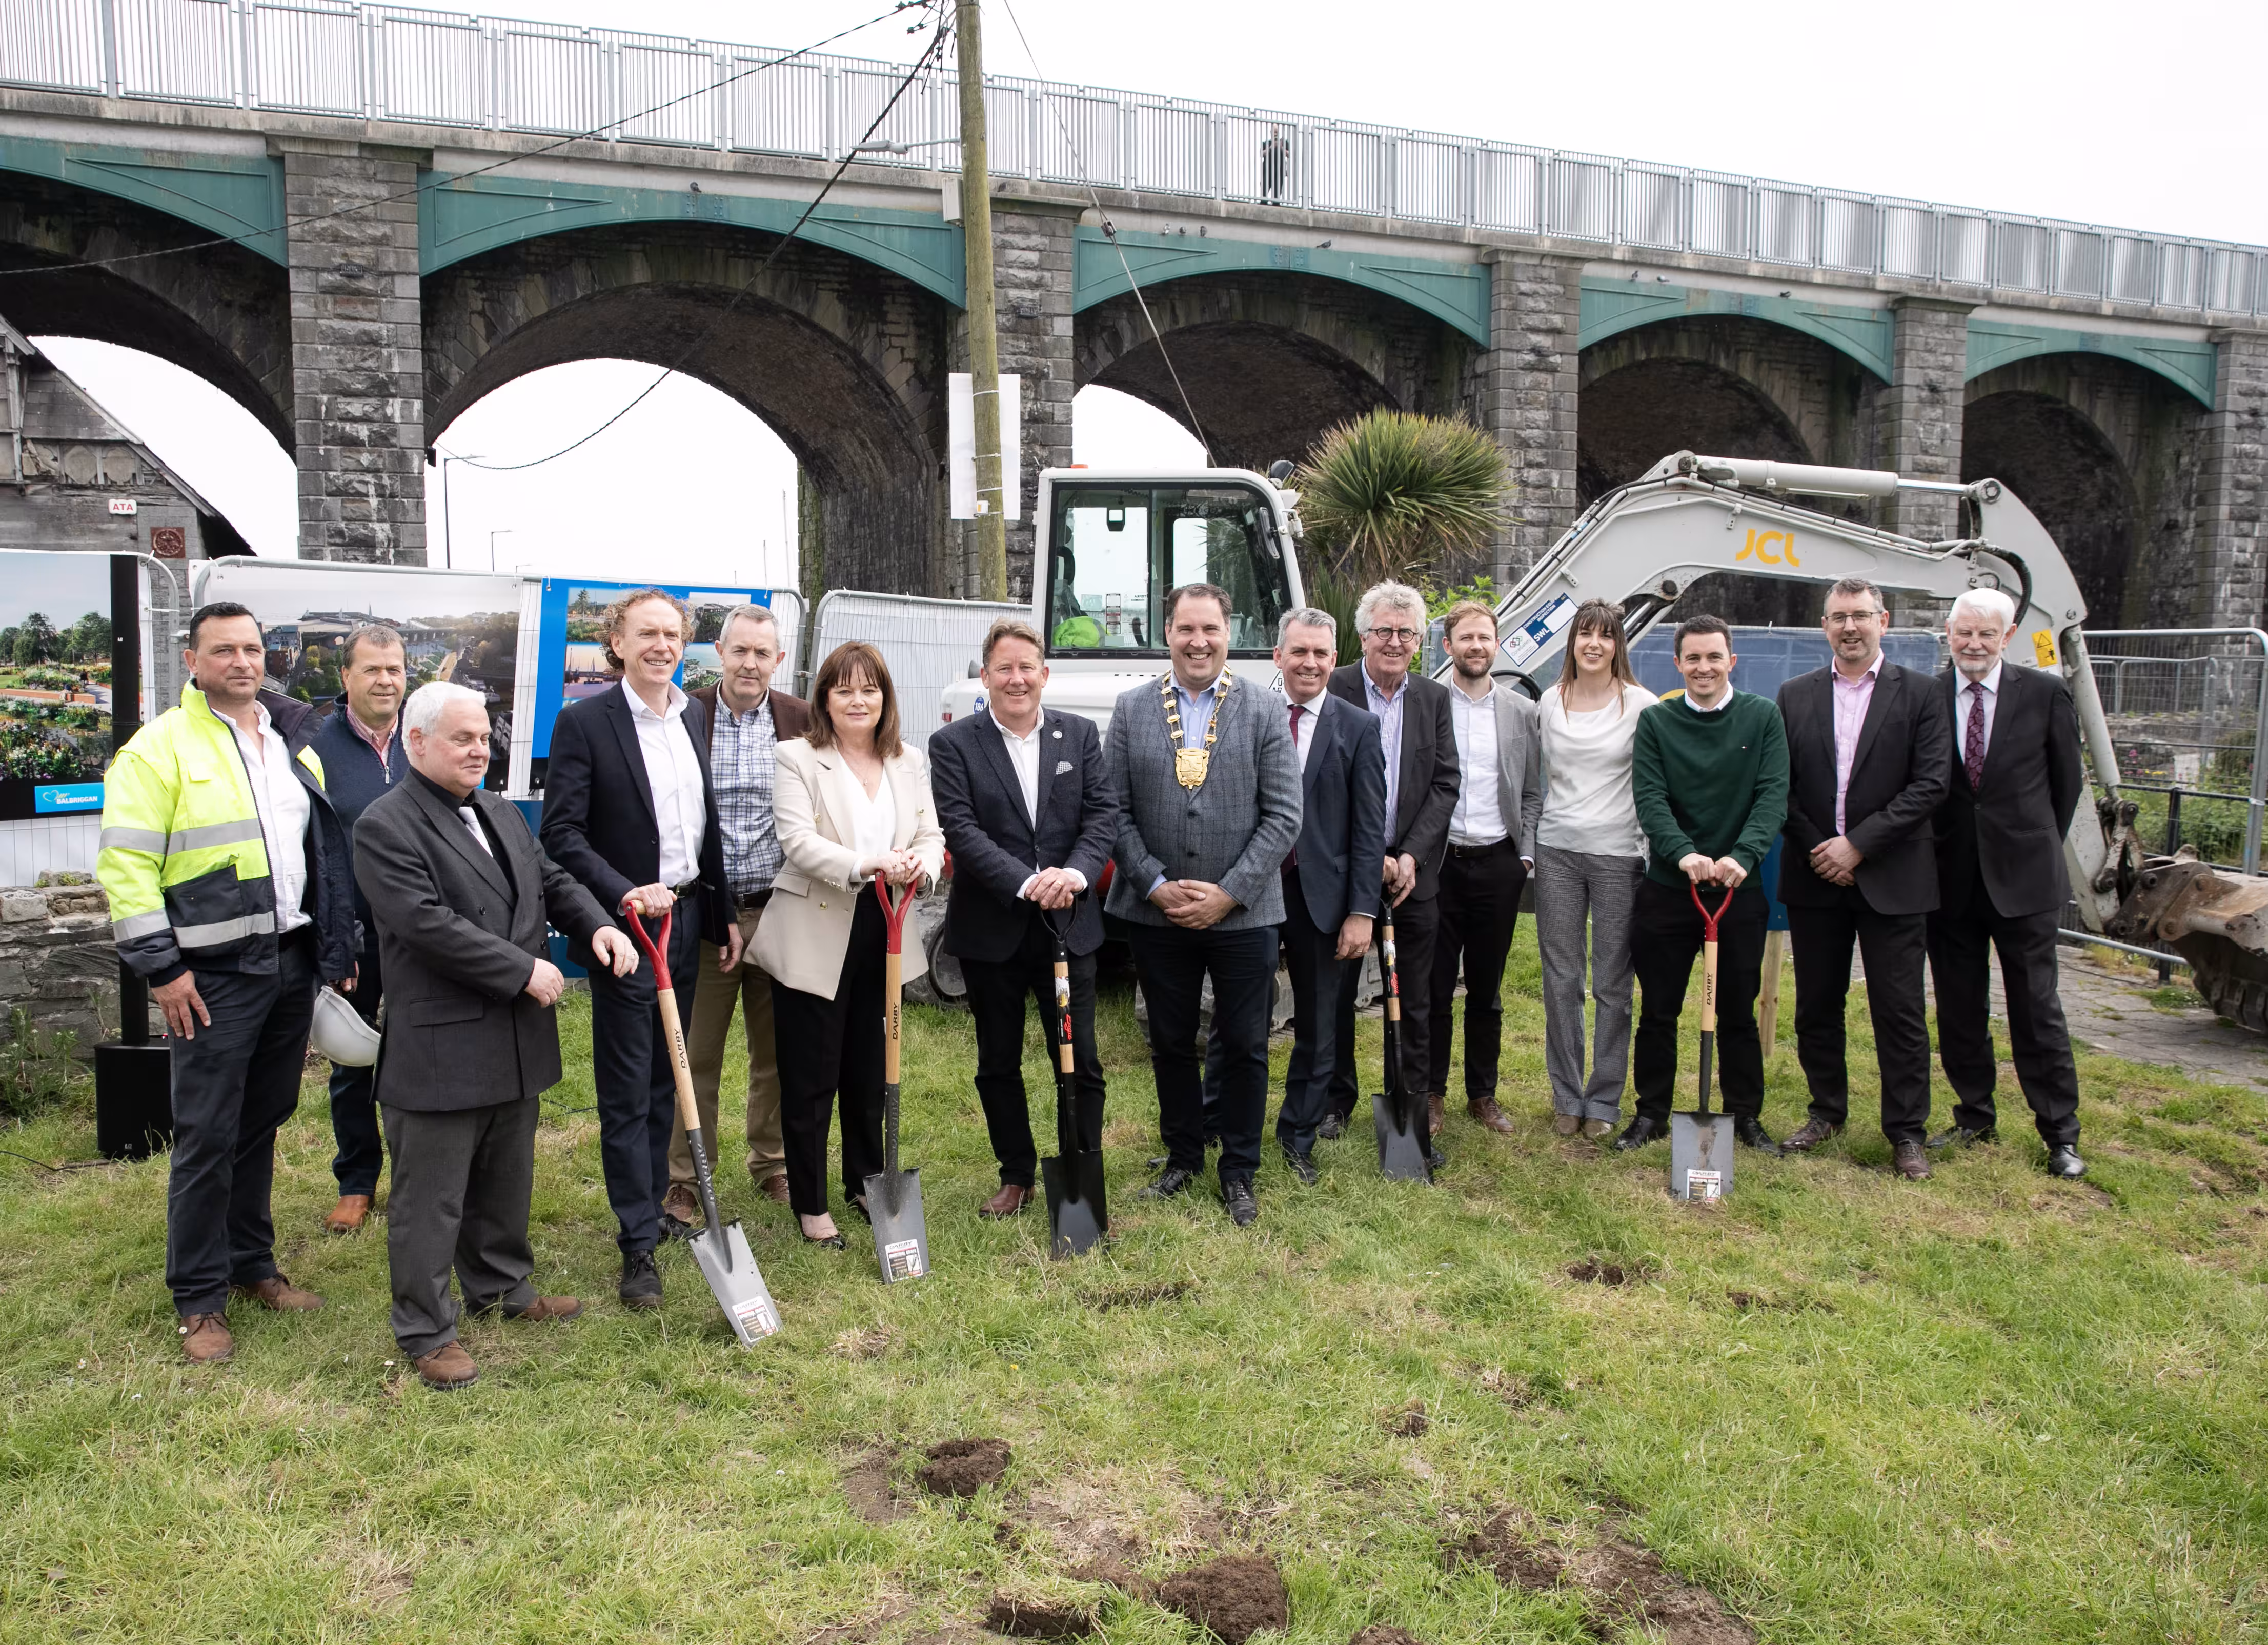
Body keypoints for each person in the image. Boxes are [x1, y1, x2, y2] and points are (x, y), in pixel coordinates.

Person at [351, 683, 637, 1391]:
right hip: (444, 1040)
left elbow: (550, 879)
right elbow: (425, 925)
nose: (478, 750)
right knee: (433, 1195)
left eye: (483, 737)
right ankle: (426, 1328)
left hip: (512, 1035)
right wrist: (522, 971)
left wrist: (597, 923)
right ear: (416, 743)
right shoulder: (385, 826)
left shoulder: (500, 810)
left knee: (507, 1174)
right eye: (462, 739)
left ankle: (502, 1286)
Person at [97, 601, 359, 1365]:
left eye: (252, 648)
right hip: (208, 975)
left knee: (262, 1120)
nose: (243, 662)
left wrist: (331, 944)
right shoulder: (158, 751)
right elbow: (127, 867)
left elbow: (322, 853)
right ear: (193, 661)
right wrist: (163, 969)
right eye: (224, 651)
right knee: (208, 1135)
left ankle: (253, 1267)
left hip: (286, 960)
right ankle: (199, 1300)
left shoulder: (287, 742)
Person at [540, 589, 734, 1311]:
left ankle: (654, 1207)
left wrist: (718, 914)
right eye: (647, 633)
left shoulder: (694, 718)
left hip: (682, 922)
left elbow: (700, 830)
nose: (662, 645)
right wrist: (626, 893)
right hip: (628, 930)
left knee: (667, 1076)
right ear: (616, 642)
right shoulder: (586, 723)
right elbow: (562, 836)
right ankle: (635, 1247)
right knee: (627, 1088)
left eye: (674, 634)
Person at [1105, 583, 1301, 1226]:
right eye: (1186, 629)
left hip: (1243, 912)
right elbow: (1114, 812)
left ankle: (1238, 1168)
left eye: (1210, 629)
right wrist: (1154, 883)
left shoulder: (1265, 711)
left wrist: (1228, 893)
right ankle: (1183, 1155)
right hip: (1156, 911)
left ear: (1228, 631)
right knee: (1168, 1040)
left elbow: (1283, 816)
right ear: (1166, 633)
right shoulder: (1131, 709)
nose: (1198, 641)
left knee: (1244, 1043)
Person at [750, 643, 944, 1246]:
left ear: (885, 697)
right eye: (844, 690)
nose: (857, 700)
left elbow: (931, 832)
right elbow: (797, 841)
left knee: (871, 1069)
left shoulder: (909, 760)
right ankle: (810, 1204)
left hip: (885, 929)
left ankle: (866, 1181)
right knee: (811, 1077)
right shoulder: (797, 757)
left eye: (869, 689)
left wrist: (921, 864)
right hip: (816, 930)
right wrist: (868, 862)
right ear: (824, 699)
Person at [930, 619, 1117, 1216]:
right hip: (993, 931)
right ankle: (1016, 1175)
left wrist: (1076, 874)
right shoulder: (954, 744)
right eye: (1003, 668)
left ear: (1044, 674)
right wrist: (1026, 881)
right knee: (997, 1061)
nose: (1016, 679)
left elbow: (1101, 818)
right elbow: (959, 828)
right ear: (985, 677)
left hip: (1071, 923)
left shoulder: (1079, 735)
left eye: (1026, 667)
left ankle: (1080, 1167)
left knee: (1080, 1058)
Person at [1775, 579, 1951, 1179]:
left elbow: (1930, 785)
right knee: (1815, 1006)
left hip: (1893, 875)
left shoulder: (1923, 694)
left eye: (1859, 616)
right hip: (1815, 875)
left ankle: (1905, 1133)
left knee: (1897, 1011)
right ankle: (1825, 1111)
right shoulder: (1793, 696)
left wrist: (1858, 846)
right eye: (1837, 618)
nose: (1849, 627)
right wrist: (1821, 851)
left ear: (1883, 620)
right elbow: (1782, 787)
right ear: (1823, 626)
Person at [1926, 588, 2089, 1179]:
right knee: (1959, 1005)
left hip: (2023, 880)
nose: (1972, 644)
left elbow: (2064, 789)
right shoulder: (1926, 695)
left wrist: (2025, 842)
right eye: (1963, 633)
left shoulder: (2044, 694)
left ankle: (2059, 1133)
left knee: (2035, 1007)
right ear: (1948, 632)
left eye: (1985, 635)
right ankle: (1973, 1115)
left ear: (2007, 636)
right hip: (1949, 880)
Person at [659, 603, 809, 1234]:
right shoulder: (684, 717)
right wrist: (716, 913)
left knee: (777, 1051)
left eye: (764, 653)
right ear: (718, 654)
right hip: (709, 916)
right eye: (740, 651)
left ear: (779, 660)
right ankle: (685, 1176)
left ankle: (771, 1161)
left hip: (782, 911)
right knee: (696, 1052)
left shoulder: (801, 720)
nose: (751, 664)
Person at [1619, 615, 1789, 1153]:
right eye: (1692, 658)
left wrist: (1742, 856)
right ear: (1678, 664)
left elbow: (1771, 795)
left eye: (1713, 657)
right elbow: (1649, 798)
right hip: (1672, 890)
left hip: (1737, 892)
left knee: (1737, 1007)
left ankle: (1744, 1115)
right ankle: (1650, 1113)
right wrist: (1683, 853)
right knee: (1659, 1008)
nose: (1703, 667)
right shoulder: (1657, 722)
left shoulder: (1762, 719)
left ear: (1730, 661)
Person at [1322, 581, 1460, 1147]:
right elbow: (1317, 785)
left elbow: (1445, 784)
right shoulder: (1332, 689)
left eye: (1406, 632)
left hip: (1411, 877)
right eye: (1384, 631)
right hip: (1341, 874)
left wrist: (1407, 856)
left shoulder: (1432, 699)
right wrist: (1365, 858)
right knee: (1335, 993)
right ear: (1362, 637)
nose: (1394, 642)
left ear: (1419, 639)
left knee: (1418, 993)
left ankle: (1410, 1096)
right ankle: (1333, 1099)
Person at [1259, 607, 1385, 1179]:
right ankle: (1219, 1122)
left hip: (1323, 900)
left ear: (1334, 661)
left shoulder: (1357, 726)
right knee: (1242, 1019)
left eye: (1320, 653)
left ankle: (1297, 1136)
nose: (1308, 662)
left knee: (1316, 1025)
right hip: (1253, 891)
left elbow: (1367, 829)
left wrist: (1361, 910)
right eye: (1298, 651)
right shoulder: (1249, 715)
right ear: (1278, 655)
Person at [1533, 600, 1656, 1139]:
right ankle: (1566, 1095)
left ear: (1617, 645)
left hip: (1617, 855)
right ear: (1572, 642)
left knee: (1612, 983)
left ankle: (1603, 1099)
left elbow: (1652, 782)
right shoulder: (1548, 702)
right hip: (1556, 851)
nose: (1593, 644)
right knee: (1561, 980)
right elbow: (1538, 779)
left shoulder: (1640, 705)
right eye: (1584, 634)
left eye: (1604, 636)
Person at [306, 622, 409, 1234]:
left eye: (394, 667)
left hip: (423, 931)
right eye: (371, 668)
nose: (385, 679)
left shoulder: (422, 738)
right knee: (352, 1059)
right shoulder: (318, 749)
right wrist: (331, 934)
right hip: (355, 933)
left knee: (423, 1052)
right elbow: (314, 849)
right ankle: (356, 1180)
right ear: (345, 677)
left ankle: (420, 1169)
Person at [1426, 600, 1541, 1137]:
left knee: (1487, 989)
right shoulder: (1427, 703)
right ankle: (1431, 1092)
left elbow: (1534, 789)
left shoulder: (1520, 711)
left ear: (1496, 646)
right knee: (1434, 985)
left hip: (1498, 861)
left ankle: (1483, 1093)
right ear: (1447, 646)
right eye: (1465, 638)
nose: (1476, 646)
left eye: (1484, 638)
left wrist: (1524, 855)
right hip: (1439, 862)